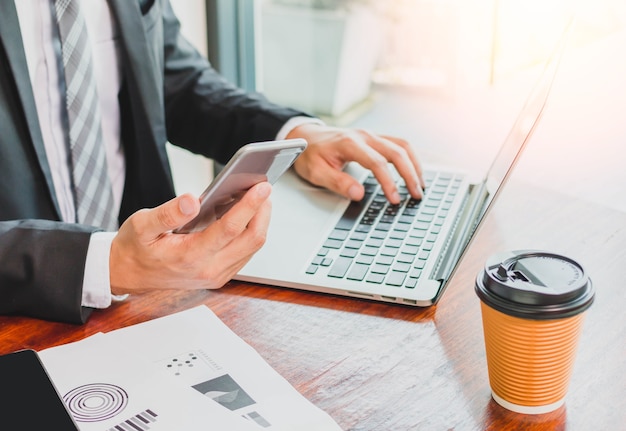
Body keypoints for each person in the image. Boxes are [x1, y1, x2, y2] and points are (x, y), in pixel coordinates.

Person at [0, 0, 424, 324]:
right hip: (18, 320)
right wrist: (105, 263)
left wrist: (294, 133)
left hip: (145, 304)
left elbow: (173, 79)